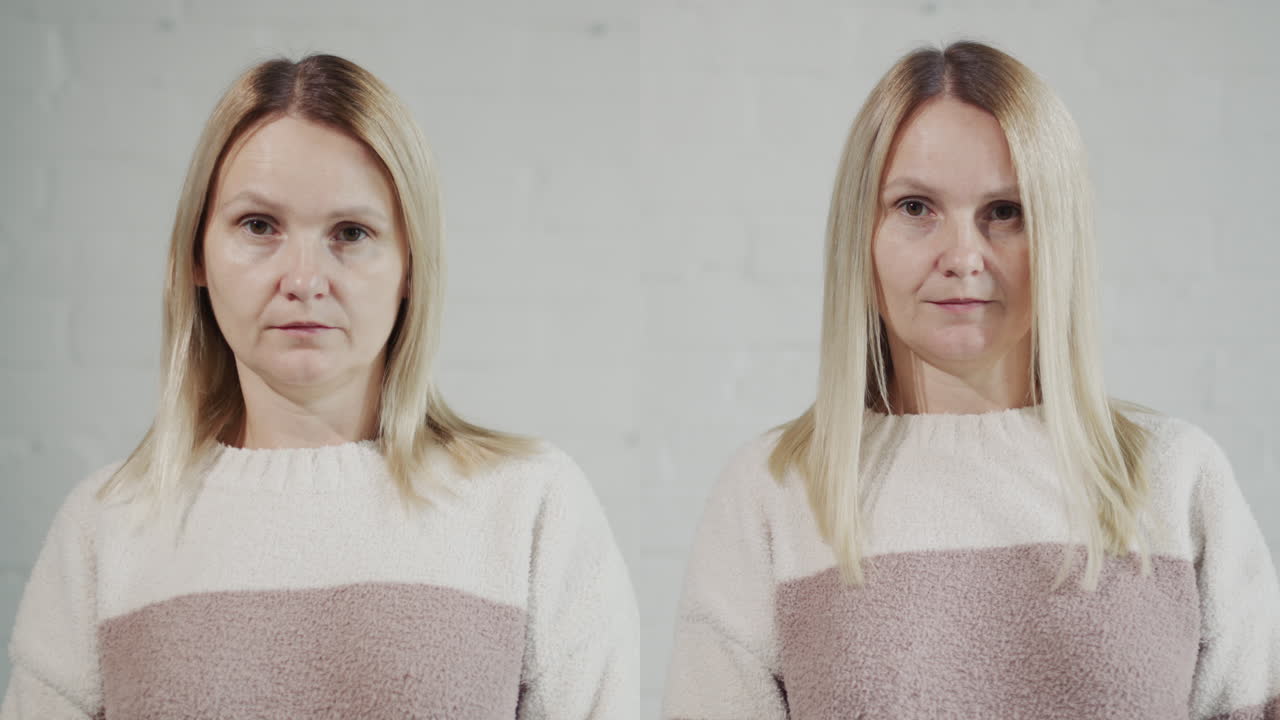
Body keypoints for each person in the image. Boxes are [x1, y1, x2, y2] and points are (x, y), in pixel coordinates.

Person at [2, 54, 639, 719]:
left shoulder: (532, 508)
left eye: (351, 233)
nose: (303, 278)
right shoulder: (105, 527)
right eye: (259, 226)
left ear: (411, 267)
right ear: (195, 253)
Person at [663, 41, 1279, 719]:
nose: (962, 256)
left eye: (1005, 211)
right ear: (860, 238)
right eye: (916, 208)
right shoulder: (773, 493)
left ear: (1058, 238)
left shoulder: (1176, 477)